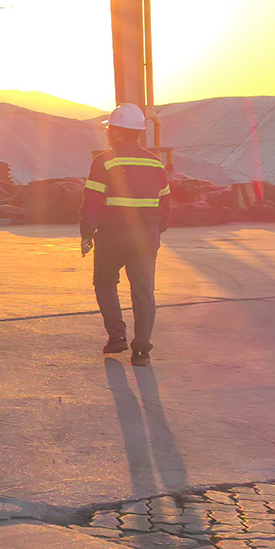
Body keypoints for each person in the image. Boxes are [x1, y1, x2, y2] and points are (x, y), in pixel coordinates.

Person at [79, 103, 171, 366]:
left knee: (105, 282)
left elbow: (92, 202)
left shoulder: (104, 162)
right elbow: (165, 207)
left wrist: (87, 233)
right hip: (146, 237)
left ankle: (117, 336)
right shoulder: (156, 164)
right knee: (144, 291)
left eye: (110, 129)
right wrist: (155, 232)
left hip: (112, 236)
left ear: (117, 132)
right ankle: (142, 350)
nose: (108, 133)